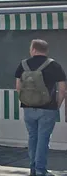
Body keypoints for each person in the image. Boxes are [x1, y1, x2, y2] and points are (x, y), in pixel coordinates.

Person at [15, 39, 67, 176]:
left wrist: (27, 100)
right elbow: (62, 89)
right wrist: (57, 105)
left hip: (28, 107)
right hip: (48, 108)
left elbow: (18, 87)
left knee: (32, 138)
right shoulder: (54, 65)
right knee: (43, 139)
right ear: (46, 50)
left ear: (33, 49)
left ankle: (33, 169)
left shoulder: (23, 64)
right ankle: (40, 170)